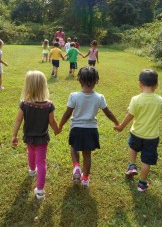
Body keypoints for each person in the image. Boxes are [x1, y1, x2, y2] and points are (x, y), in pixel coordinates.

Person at [59, 67, 119, 188]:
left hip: (76, 129)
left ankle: (76, 166)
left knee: (74, 147)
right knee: (87, 155)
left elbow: (67, 113)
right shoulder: (99, 97)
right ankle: (85, 179)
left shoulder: (74, 96)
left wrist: (60, 125)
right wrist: (117, 123)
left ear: (79, 80)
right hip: (91, 130)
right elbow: (108, 112)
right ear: (96, 80)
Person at [11, 71, 60, 200]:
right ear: (44, 86)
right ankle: (40, 190)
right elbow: (52, 122)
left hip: (29, 137)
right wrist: (57, 129)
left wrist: (14, 136)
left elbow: (18, 121)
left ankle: (32, 170)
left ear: (28, 86)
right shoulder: (48, 105)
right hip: (42, 139)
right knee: (42, 161)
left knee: (30, 152)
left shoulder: (25, 104)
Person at [114, 69, 162, 192]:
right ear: (156, 85)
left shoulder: (136, 99)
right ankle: (142, 184)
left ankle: (132, 165)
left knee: (132, 147)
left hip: (136, 132)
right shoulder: (159, 100)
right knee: (147, 161)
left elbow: (130, 115)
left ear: (139, 84)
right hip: (151, 137)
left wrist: (121, 126)